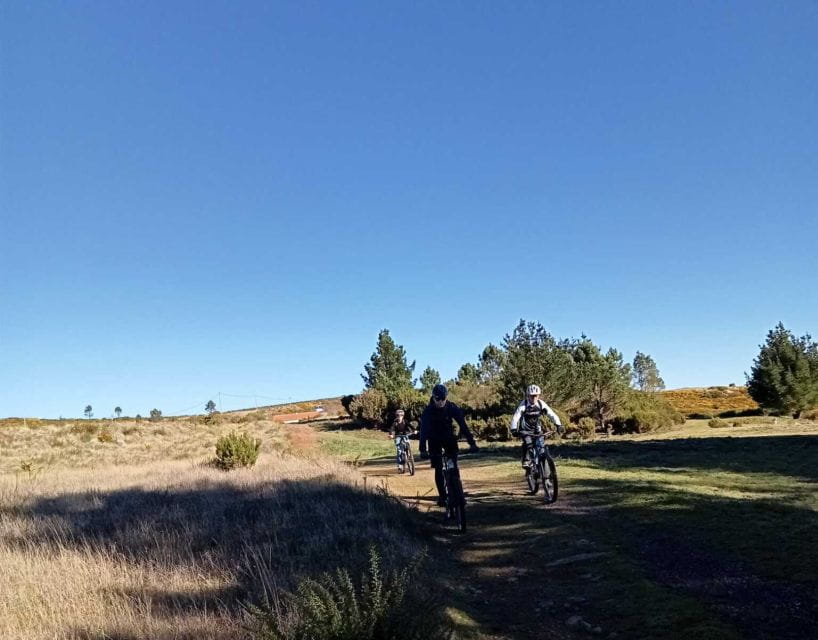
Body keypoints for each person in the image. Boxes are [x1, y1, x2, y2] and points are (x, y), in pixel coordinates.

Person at [419, 384, 478, 507]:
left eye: (443, 398)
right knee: (438, 467)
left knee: (454, 466)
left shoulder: (451, 407)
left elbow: (462, 424)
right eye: (438, 399)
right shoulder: (428, 411)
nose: (441, 401)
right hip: (434, 439)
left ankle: (458, 493)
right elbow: (423, 431)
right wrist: (423, 450)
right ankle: (442, 496)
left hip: (448, 438)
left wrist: (472, 443)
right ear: (433, 398)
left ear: (446, 397)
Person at [510, 384, 565, 467]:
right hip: (525, 430)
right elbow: (516, 417)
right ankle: (526, 460)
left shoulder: (541, 404)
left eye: (536, 396)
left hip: (537, 430)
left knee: (541, 447)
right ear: (528, 396)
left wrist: (558, 425)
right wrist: (513, 429)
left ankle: (544, 466)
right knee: (528, 444)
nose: (534, 398)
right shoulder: (523, 405)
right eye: (531, 396)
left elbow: (552, 414)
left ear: (538, 396)